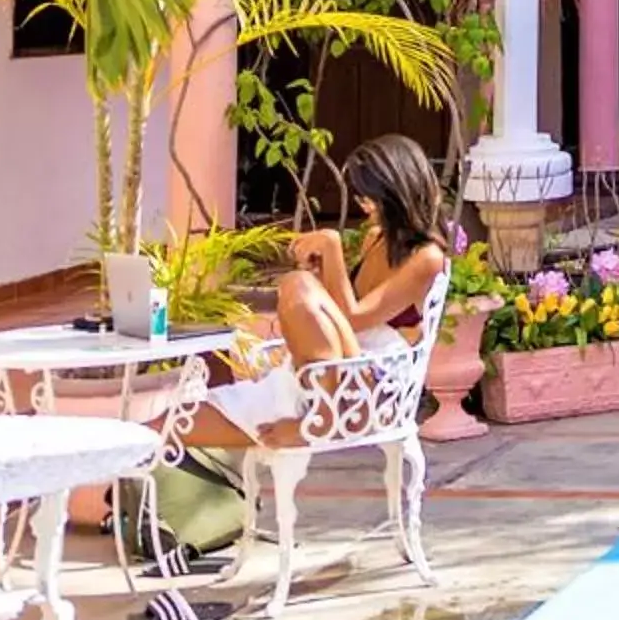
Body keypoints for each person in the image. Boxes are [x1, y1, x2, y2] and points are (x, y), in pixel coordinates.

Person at [189, 135, 449, 452]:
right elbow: (338, 313)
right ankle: (132, 450)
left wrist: (331, 245)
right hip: (336, 370)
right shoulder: (376, 239)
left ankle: (322, 422)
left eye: (369, 196)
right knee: (185, 421)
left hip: (374, 385)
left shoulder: (427, 257)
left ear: (394, 192)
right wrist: (320, 274)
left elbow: (355, 319)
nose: (363, 204)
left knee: (297, 284)